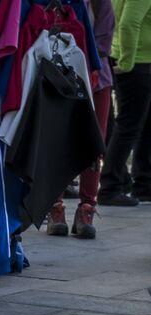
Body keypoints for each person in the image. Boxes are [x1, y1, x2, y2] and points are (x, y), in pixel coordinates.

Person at [48, 0, 114, 236]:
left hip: (96, 76)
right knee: (56, 139)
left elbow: (105, 37)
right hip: (57, 75)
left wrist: (80, 59)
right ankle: (54, 206)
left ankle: (87, 207)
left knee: (94, 141)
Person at [101, 0, 151, 206]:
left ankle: (144, 184)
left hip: (138, 61)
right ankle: (109, 187)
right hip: (136, 64)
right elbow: (129, 23)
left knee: (145, 125)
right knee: (129, 126)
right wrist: (127, 62)